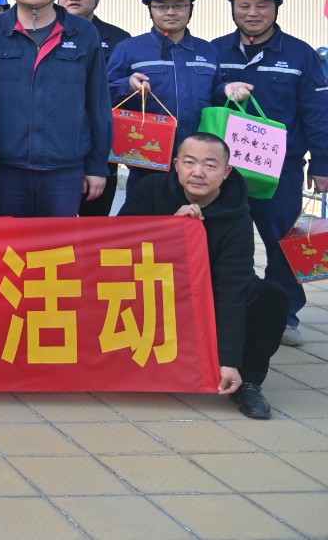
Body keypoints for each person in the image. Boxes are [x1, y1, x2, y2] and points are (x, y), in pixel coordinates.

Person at [119, 133, 288, 419]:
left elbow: (232, 288)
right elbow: (116, 246)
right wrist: (168, 228)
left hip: (207, 296)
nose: (198, 172)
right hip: (155, 290)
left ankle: (246, 381)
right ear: (176, 165)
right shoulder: (151, 190)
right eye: (189, 162)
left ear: (226, 172)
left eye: (210, 165)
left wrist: (228, 361)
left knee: (270, 296)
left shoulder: (237, 215)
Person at [215, 0, 328, 347]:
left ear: (276, 9)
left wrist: (323, 163)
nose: (252, 13)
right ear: (232, 7)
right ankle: (232, 311)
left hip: (280, 171)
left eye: (262, 5)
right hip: (223, 171)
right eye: (244, 4)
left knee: (283, 244)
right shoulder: (214, 51)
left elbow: (317, 112)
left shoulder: (300, 55)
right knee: (225, 242)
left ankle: (284, 316)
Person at [0, 0, 111, 217]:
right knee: (8, 242)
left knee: (59, 243)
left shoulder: (83, 34)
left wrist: (97, 166)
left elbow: (98, 104)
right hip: (4, 169)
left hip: (65, 170)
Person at [108, 0, 237, 193]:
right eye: (161, 6)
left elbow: (214, 98)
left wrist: (227, 89)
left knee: (195, 216)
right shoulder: (129, 49)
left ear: (190, 8)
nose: (170, 12)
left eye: (179, 5)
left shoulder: (207, 51)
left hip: (197, 166)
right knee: (146, 214)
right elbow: (103, 94)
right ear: (150, 9)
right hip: (147, 162)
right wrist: (127, 84)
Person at [60, 0, 132, 216]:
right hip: (58, 143)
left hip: (101, 143)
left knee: (95, 221)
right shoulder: (44, 33)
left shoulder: (120, 40)